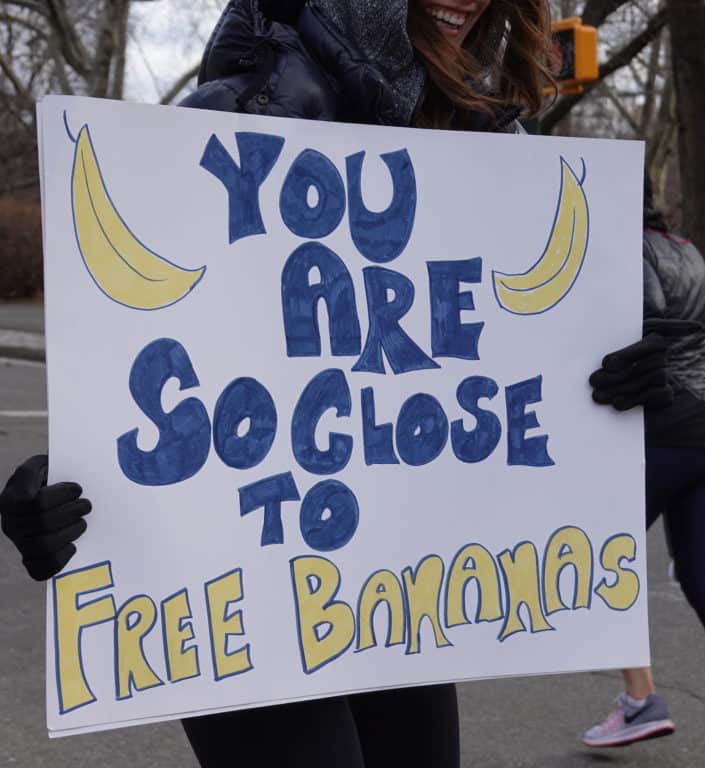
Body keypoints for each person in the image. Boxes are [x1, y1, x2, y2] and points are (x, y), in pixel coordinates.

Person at [0, 1, 553, 766]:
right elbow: (159, 351)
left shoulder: (485, 138)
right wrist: (68, 492)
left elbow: (526, 359)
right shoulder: (241, 109)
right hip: (241, 595)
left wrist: (631, 384)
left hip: (397, 581)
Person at [582, 178, 705, 768]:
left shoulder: (615, 253)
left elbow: (604, 344)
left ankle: (641, 698)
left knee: (604, 558)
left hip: (656, 433)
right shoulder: (690, 250)